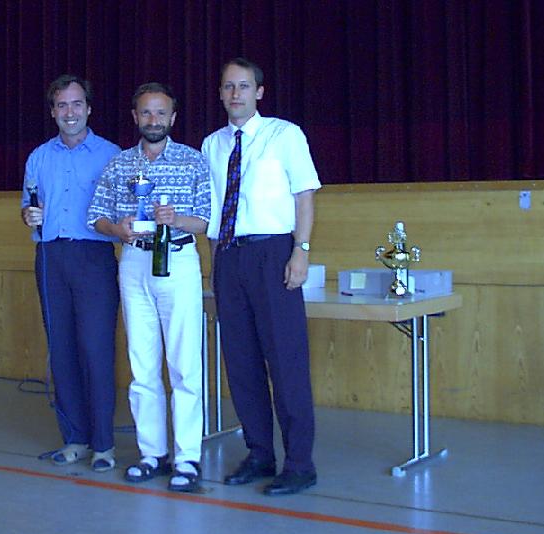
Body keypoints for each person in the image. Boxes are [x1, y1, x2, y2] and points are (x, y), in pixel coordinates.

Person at [201, 58, 321, 495]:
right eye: (228, 86)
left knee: (285, 361)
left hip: (273, 253)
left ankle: (300, 463)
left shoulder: (284, 135)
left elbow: (304, 195)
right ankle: (259, 453)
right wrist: (215, 263)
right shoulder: (212, 144)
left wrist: (300, 251)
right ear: (220, 93)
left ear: (259, 92)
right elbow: (214, 209)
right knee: (241, 362)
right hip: (229, 257)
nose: (236, 94)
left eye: (244, 86)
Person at [87, 82, 210, 493]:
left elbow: (206, 221)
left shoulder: (193, 161)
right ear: (135, 117)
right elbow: (96, 217)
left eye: (160, 113)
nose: (153, 120)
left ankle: (187, 457)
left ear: (173, 117)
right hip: (134, 260)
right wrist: (117, 229)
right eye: (146, 112)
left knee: (184, 363)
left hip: (178, 258)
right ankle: (152, 453)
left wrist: (176, 219)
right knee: (142, 363)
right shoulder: (120, 164)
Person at [21, 74, 121, 472]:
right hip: (50, 258)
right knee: (61, 350)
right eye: (62, 105)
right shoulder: (39, 157)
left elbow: (123, 211)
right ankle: (75, 438)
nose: (70, 112)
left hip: (94, 258)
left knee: (96, 349)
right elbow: (29, 205)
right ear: (53, 112)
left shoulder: (111, 155)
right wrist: (28, 215)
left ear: (89, 109)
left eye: (77, 104)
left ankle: (104, 445)